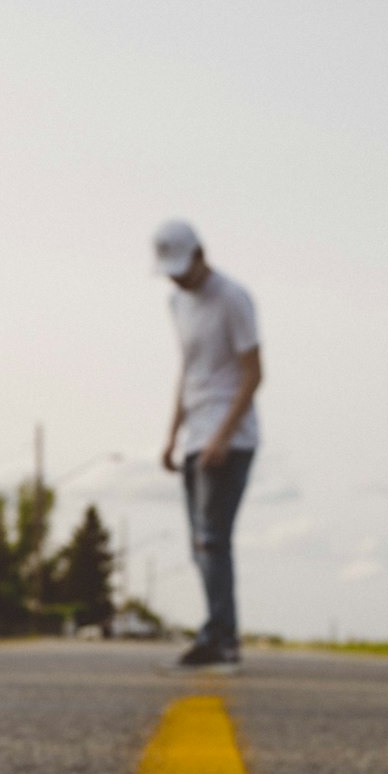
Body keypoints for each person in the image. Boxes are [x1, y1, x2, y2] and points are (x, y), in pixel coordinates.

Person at [154, 219, 263, 670]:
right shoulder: (176, 302)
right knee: (199, 544)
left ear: (201, 254)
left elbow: (254, 373)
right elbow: (188, 370)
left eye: (184, 267)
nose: (179, 277)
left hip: (229, 437)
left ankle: (222, 639)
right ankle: (216, 632)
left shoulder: (233, 298)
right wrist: (172, 434)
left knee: (213, 539)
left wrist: (222, 435)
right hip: (195, 435)